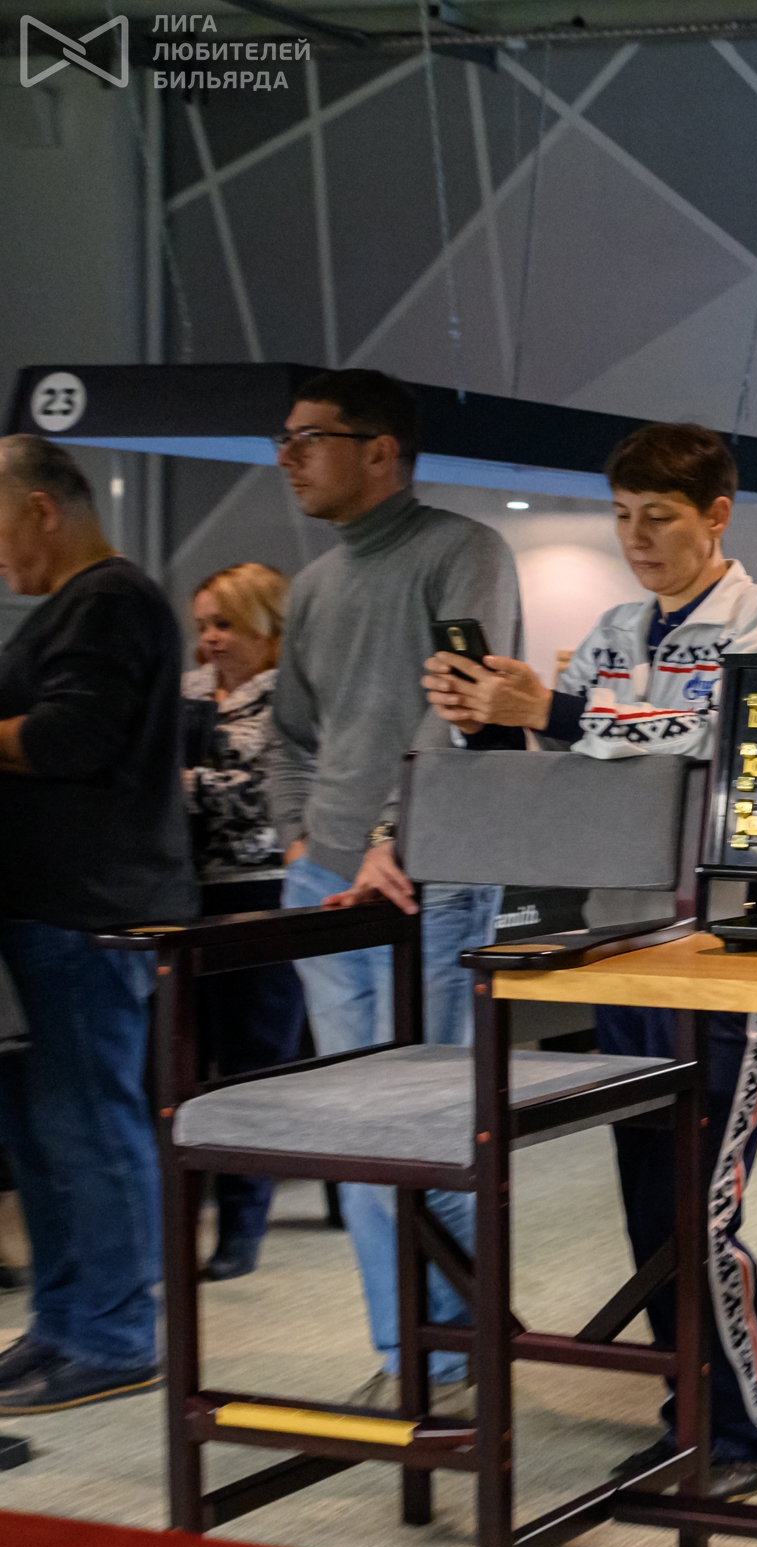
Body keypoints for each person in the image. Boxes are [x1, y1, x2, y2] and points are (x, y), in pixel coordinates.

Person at [423, 422, 757, 1498]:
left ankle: (749, 1436)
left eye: (660, 517)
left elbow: (713, 734)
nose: (637, 537)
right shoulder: (613, 630)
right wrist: (486, 719)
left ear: (717, 516)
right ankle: (688, 1414)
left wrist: (554, 710)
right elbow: (576, 769)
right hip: (622, 951)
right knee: (651, 1203)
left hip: (734, 953)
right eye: (623, 517)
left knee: (700, 1207)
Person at [265, 367, 522, 1413]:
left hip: (429, 882)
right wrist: (302, 839)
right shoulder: (314, 585)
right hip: (325, 886)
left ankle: (457, 1351)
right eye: (283, 440)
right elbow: (290, 734)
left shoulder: (463, 551)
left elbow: (459, 708)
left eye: (308, 439)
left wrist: (388, 836)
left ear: (379, 451)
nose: (288, 459)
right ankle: (415, 1353)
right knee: (356, 1135)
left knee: (423, 1126)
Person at [0, 435, 193, 1413]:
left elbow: (69, 737)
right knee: (43, 1134)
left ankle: (113, 1336)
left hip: (91, 911)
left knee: (88, 1125)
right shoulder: (75, 605)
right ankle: (65, 1320)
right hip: (52, 907)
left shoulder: (109, 598)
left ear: (41, 507)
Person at [183, 563, 308, 1282]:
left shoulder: (291, 698)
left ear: (267, 627)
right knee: (181, 1066)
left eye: (225, 623)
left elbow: (268, 797)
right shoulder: (186, 693)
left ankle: (241, 1225)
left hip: (263, 896)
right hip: (184, 896)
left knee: (253, 1069)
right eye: (203, 624)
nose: (210, 638)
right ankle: (178, 1221)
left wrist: (179, 785)